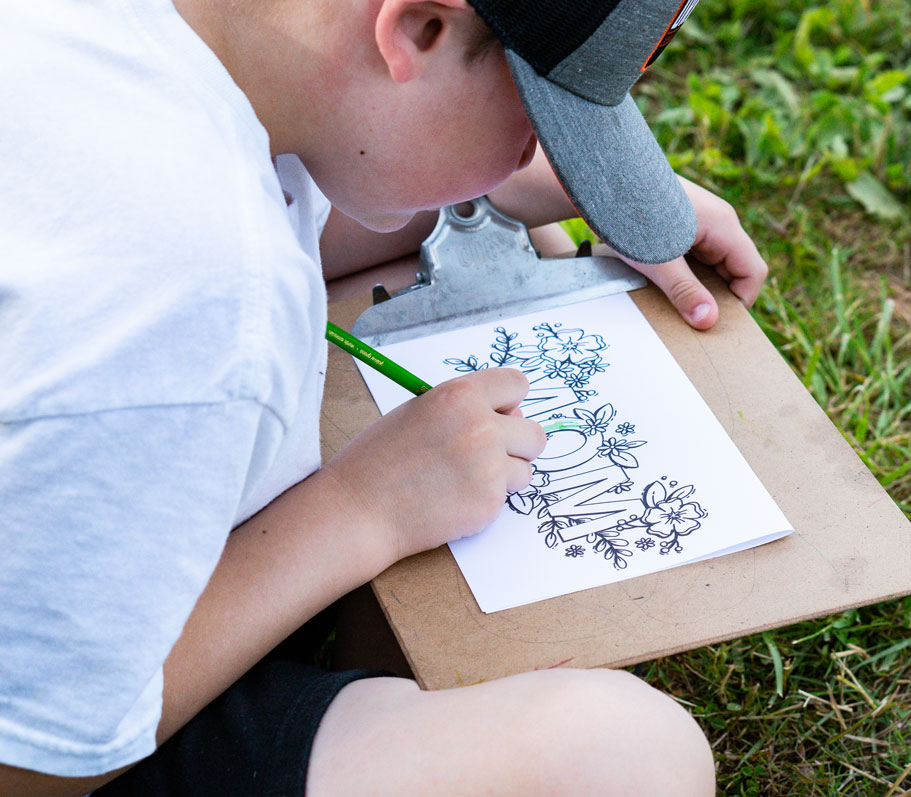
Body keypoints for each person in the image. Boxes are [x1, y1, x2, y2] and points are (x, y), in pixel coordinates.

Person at [0, 0, 768, 793]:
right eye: (536, 123)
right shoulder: (198, 303)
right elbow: (29, 757)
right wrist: (364, 508)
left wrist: (517, 193)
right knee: (623, 760)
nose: (532, 155)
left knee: (521, 246)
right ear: (415, 31)